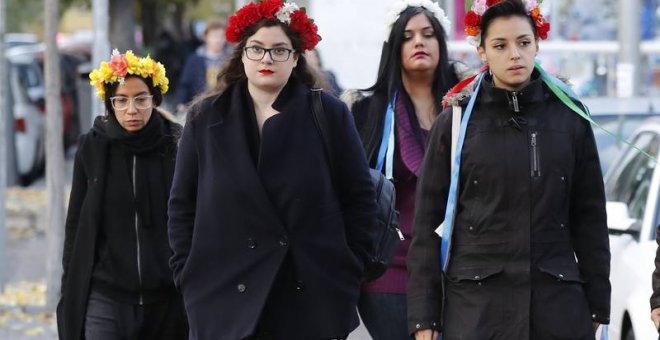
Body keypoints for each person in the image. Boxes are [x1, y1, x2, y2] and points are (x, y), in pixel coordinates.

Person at [167, 1, 377, 339]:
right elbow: (182, 204)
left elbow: (358, 198)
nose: (267, 58)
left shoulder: (329, 115)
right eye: (257, 49)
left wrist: (348, 270)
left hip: (307, 296)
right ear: (242, 55)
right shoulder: (206, 118)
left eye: (280, 50)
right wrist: (186, 273)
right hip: (222, 298)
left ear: (296, 58)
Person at [407, 1, 610, 339]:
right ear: (483, 52)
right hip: (476, 309)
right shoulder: (456, 122)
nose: (514, 54)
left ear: (537, 45)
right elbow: (428, 224)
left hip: (557, 305)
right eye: (500, 45)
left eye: (523, 42)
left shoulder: (570, 117)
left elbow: (589, 216)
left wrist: (597, 304)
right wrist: (424, 318)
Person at [341, 1, 466, 339]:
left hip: (457, 268)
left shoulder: (470, 110)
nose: (419, 43)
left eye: (428, 35)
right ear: (394, 48)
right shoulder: (364, 110)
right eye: (408, 37)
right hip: (388, 272)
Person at [57, 50, 187, 340]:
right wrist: (70, 287)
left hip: (168, 299)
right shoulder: (91, 147)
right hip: (106, 299)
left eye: (141, 99)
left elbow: (194, 217)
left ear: (155, 99)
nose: (132, 109)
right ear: (110, 103)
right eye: (121, 100)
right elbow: (76, 225)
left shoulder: (177, 145)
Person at [176, 19, 232, 109]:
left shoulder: (231, 59)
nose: (218, 40)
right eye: (214, 36)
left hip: (225, 106)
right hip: (199, 106)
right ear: (206, 37)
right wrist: (181, 103)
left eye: (222, 36)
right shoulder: (195, 59)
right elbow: (185, 84)